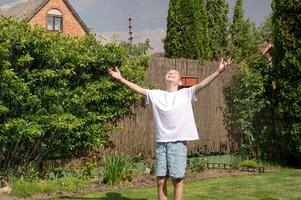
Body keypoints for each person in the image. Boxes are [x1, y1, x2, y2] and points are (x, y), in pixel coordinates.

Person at [108, 58, 233, 200]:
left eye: (175, 73)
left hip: (178, 143)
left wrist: (218, 71)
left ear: (180, 82)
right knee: (160, 180)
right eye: (169, 72)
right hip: (162, 143)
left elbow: (203, 84)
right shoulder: (156, 95)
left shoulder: (185, 94)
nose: (171, 73)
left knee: (177, 180)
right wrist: (121, 79)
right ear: (165, 79)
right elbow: (138, 89)